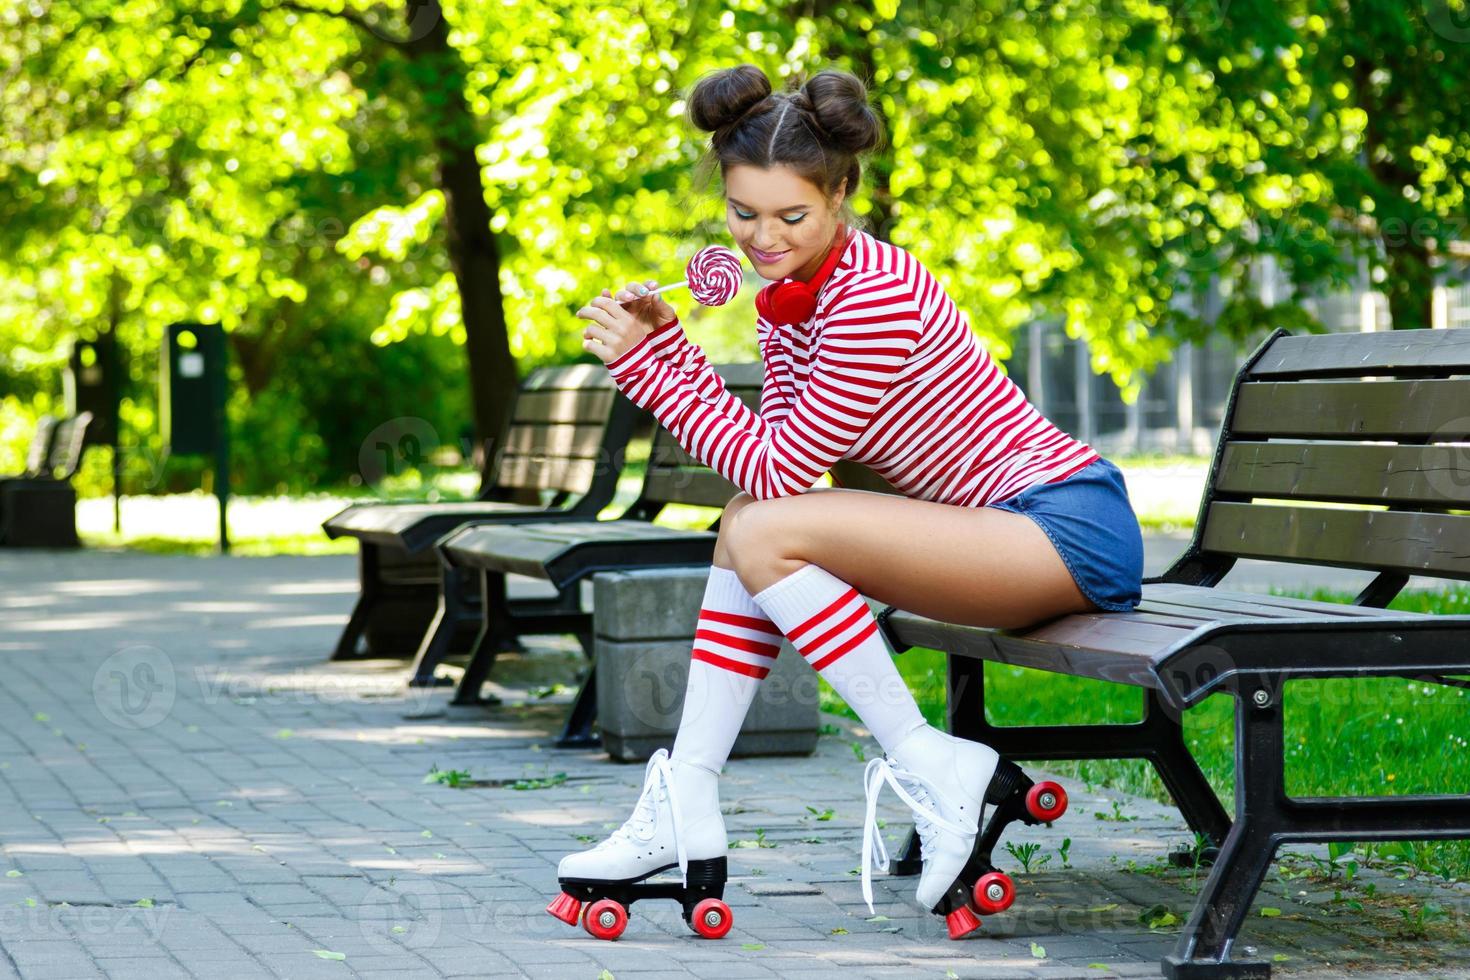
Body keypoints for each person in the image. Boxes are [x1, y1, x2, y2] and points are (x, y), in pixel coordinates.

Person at [558, 62, 1145, 937]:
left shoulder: (871, 289)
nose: (763, 239)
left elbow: (785, 475)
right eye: (742, 214)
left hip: (1059, 525)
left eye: (791, 216)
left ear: (840, 194)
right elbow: (778, 473)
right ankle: (688, 796)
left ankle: (930, 765)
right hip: (985, 534)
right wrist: (675, 352)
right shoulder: (789, 299)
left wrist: (653, 371)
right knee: (745, 529)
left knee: (762, 523)